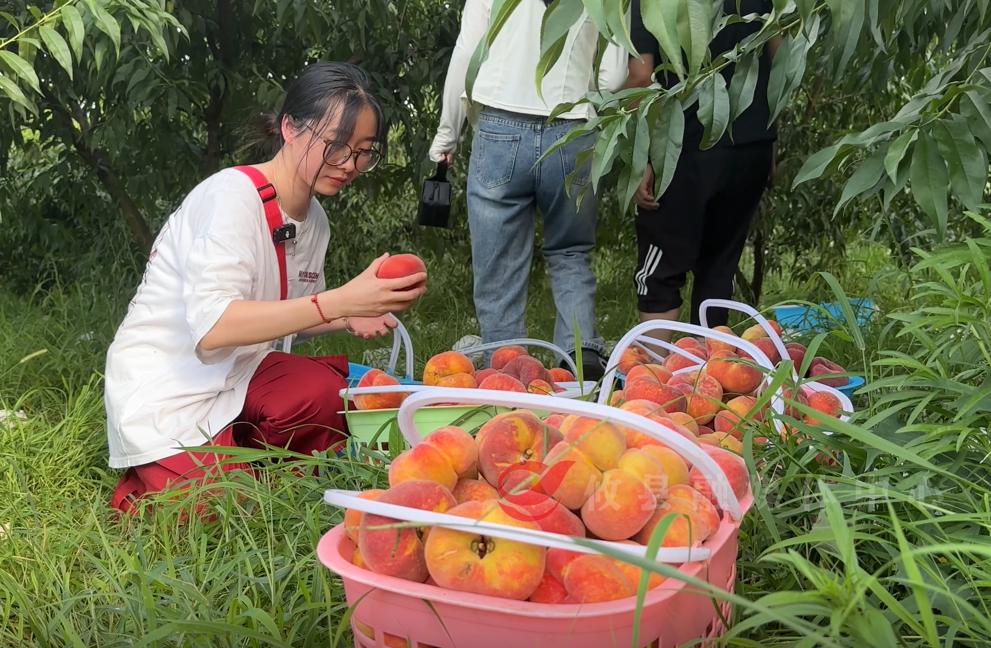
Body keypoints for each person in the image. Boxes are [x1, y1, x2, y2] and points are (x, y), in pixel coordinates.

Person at [105, 62, 427, 513]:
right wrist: (336, 301)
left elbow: (284, 312)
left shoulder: (314, 220)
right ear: (290, 128)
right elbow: (215, 326)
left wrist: (343, 315)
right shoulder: (231, 197)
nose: (349, 165)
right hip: (170, 381)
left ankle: (244, 453)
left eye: (363, 152)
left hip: (239, 369)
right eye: (336, 145)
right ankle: (154, 481)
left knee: (321, 396)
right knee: (221, 511)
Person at [428, 0, 629, 381]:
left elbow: (466, 52)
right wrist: (592, 108)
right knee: (571, 252)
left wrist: (447, 137)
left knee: (498, 268)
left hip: (501, 126)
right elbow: (616, 74)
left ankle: (508, 377)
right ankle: (580, 359)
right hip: (573, 126)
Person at [626, 0, 781, 344]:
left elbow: (640, 75)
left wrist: (638, 158)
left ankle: (655, 378)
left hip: (681, 145)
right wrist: (768, 133)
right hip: (751, 144)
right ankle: (709, 381)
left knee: (661, 273)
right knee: (719, 268)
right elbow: (780, 57)